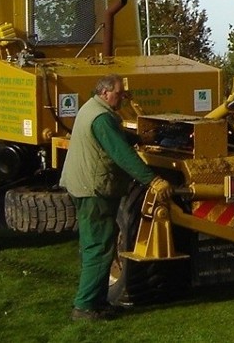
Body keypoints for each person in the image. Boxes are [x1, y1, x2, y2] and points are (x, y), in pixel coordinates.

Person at [60, 73, 168, 321]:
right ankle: (85, 306)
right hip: (94, 190)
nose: (122, 98)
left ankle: (97, 303)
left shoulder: (93, 110)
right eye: (119, 94)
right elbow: (121, 154)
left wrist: (140, 138)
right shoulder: (101, 118)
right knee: (98, 247)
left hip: (84, 186)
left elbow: (114, 138)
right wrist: (153, 180)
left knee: (96, 245)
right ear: (105, 92)